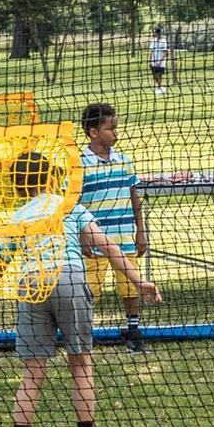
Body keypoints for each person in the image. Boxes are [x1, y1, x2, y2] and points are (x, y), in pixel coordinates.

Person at [0, 151, 161, 427]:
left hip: (31, 286)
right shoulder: (69, 208)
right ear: (52, 178)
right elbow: (108, 246)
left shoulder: (19, 217)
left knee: (33, 372)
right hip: (70, 279)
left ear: (19, 187)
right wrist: (139, 280)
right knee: (81, 363)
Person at [76, 102, 154, 353]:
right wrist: (81, 235)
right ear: (93, 132)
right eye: (110, 129)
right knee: (89, 289)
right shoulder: (78, 164)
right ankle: (81, 334)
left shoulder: (124, 161)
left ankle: (133, 331)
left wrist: (140, 231)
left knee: (131, 286)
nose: (116, 133)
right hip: (94, 241)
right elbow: (72, 205)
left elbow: (134, 197)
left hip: (124, 238)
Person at [149, 26, 169, 95]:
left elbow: (165, 52)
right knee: (154, 75)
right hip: (154, 61)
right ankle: (160, 87)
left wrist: (160, 61)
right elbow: (151, 51)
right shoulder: (153, 41)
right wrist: (150, 60)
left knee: (159, 75)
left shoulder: (164, 41)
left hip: (161, 62)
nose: (155, 34)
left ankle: (159, 88)